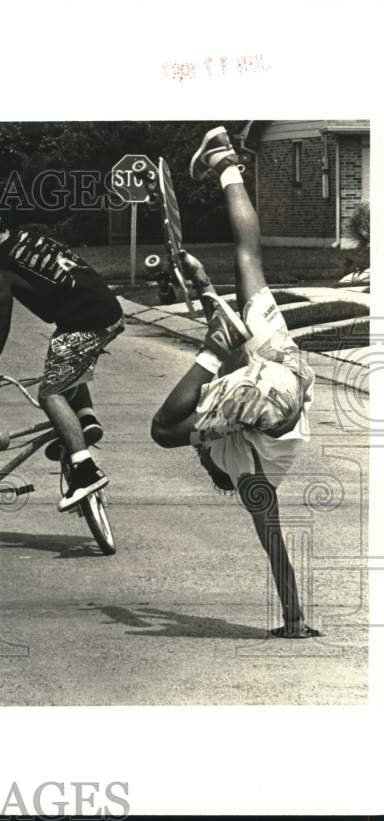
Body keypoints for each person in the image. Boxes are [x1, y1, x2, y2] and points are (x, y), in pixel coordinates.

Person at [149, 125, 320, 639]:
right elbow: (273, 542)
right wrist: (293, 620)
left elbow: (234, 347)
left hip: (290, 372)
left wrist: (203, 285)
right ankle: (225, 163)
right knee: (163, 430)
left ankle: (227, 162)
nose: (201, 460)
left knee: (249, 261)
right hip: (268, 395)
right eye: (206, 465)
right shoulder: (244, 470)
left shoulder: (245, 454)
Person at [0, 204, 124, 510]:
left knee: (50, 394)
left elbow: (0, 327)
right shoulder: (31, 235)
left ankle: (85, 471)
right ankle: (85, 421)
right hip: (108, 310)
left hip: (85, 320)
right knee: (61, 361)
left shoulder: (0, 271)